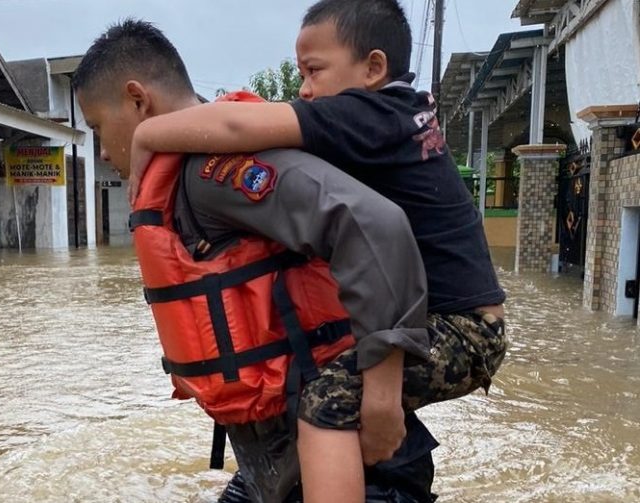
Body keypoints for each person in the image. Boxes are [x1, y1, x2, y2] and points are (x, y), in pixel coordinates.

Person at [126, 0, 508, 501]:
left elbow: (238, 128)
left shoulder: (369, 113)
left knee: (326, 398)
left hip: (465, 331)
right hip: (461, 320)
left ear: (373, 68)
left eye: (314, 71)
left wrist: (146, 135)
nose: (305, 89)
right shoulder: (394, 114)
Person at [73, 19, 439, 503]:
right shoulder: (189, 176)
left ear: (138, 100)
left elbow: (372, 224)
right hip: (278, 463)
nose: (100, 149)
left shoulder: (208, 171)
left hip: (354, 466)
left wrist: (381, 399)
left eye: (98, 126)